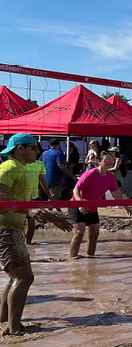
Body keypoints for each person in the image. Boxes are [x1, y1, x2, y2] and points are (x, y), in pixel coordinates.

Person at [0, 134, 71, 335]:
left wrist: (52, 218)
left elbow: (28, 205)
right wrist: (29, 212)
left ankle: (5, 320)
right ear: (20, 149)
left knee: (16, 276)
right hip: (4, 227)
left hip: (12, 226)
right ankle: (14, 329)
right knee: (24, 277)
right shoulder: (9, 167)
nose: (37, 151)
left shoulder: (26, 168)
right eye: (33, 148)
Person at [68, 151, 132, 259]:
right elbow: (76, 189)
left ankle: (90, 257)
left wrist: (125, 205)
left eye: (111, 161)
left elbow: (116, 193)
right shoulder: (90, 174)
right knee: (79, 232)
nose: (109, 163)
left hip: (92, 208)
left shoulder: (110, 177)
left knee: (95, 232)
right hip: (77, 205)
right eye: (106, 161)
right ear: (99, 162)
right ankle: (72, 258)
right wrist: (80, 203)